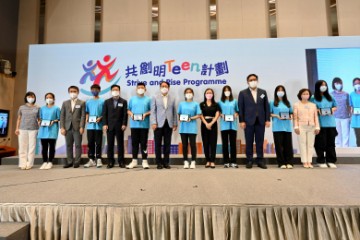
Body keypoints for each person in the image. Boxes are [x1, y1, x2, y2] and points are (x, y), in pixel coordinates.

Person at [238, 74, 270, 169]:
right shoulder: (243, 93)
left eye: (254, 79)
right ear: (247, 82)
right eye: (251, 80)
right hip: (248, 121)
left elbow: (266, 107)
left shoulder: (262, 92)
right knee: (249, 141)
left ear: (257, 80)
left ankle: (260, 160)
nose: (253, 81)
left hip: (260, 120)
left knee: (260, 141)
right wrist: (241, 120)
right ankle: (249, 160)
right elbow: (241, 108)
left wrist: (267, 119)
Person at [150, 81, 177, 169]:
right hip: (158, 124)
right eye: (162, 86)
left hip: (168, 124)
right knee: (157, 144)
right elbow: (153, 111)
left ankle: (166, 162)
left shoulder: (172, 98)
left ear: (168, 88)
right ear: (160, 87)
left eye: (166, 86)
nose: (164, 87)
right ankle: (158, 163)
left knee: (167, 144)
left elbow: (174, 112)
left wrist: (175, 123)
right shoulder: (154, 97)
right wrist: (153, 122)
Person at [311, 80, 338, 168]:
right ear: (317, 86)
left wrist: (331, 110)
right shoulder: (313, 97)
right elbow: (311, 109)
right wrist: (319, 111)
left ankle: (331, 160)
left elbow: (335, 106)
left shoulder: (330, 96)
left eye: (325, 85)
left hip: (331, 123)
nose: (324, 86)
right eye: (322, 85)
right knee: (320, 143)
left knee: (331, 143)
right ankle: (321, 160)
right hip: (320, 124)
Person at [102, 84, 128, 168]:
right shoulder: (107, 101)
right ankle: (110, 161)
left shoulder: (123, 101)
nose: (115, 91)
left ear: (119, 91)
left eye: (116, 89)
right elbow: (104, 114)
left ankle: (121, 161)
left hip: (120, 126)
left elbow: (125, 114)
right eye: (113, 90)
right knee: (110, 144)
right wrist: (105, 124)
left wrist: (124, 124)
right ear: (111, 91)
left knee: (120, 144)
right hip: (109, 126)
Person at [127, 82, 151, 169]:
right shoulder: (132, 99)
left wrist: (145, 114)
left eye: (142, 87)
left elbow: (151, 110)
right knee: (134, 144)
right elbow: (128, 110)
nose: (140, 89)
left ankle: (145, 161)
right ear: (136, 89)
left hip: (144, 125)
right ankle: (134, 161)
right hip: (134, 125)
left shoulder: (148, 99)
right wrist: (131, 114)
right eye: (139, 87)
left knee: (144, 143)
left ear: (145, 89)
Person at [293, 88, 320, 168]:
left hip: (312, 127)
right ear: (300, 95)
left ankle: (309, 161)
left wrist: (317, 127)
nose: (306, 95)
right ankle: (304, 161)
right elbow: (295, 117)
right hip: (301, 127)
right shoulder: (296, 105)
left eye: (307, 94)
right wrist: (296, 127)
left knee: (310, 144)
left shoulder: (313, 105)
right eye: (304, 94)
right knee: (302, 144)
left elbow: (316, 117)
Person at [60, 86, 86, 168]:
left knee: (78, 145)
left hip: (77, 127)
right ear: (69, 92)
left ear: (77, 92)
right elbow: (62, 116)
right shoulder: (65, 103)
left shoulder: (82, 103)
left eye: (74, 91)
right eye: (71, 91)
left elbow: (83, 116)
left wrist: (82, 126)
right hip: (67, 127)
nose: (73, 93)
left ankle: (77, 162)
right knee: (68, 145)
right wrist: (62, 127)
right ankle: (69, 161)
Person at [269, 85, 294, 169]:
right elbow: (269, 113)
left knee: (288, 145)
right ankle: (281, 163)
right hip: (277, 127)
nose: (280, 92)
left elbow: (291, 112)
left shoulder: (287, 102)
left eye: (282, 90)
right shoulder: (272, 102)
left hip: (287, 127)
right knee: (279, 146)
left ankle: (289, 162)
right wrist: (276, 116)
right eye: (279, 90)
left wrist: (291, 116)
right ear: (276, 92)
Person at [15, 91, 40, 170]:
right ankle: (22, 163)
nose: (31, 98)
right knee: (22, 147)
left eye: (32, 97)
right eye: (29, 97)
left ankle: (30, 163)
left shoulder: (37, 107)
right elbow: (19, 118)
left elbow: (39, 119)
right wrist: (16, 128)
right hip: (22, 129)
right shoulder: (21, 107)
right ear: (26, 98)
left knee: (32, 147)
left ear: (34, 98)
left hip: (33, 129)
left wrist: (39, 124)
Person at [178, 88, 201, 169]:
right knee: (184, 145)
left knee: (192, 145)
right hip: (183, 128)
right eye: (187, 92)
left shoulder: (196, 104)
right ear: (184, 94)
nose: (188, 94)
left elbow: (199, 115)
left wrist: (190, 118)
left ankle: (193, 161)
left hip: (192, 127)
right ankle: (185, 161)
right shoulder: (181, 104)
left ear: (193, 94)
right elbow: (178, 114)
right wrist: (180, 118)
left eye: (190, 92)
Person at [38, 93, 60, 170]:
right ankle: (44, 161)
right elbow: (40, 118)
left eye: (50, 97)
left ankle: (50, 161)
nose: (49, 99)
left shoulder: (56, 108)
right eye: (47, 97)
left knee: (51, 147)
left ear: (54, 99)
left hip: (52, 129)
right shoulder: (42, 108)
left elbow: (59, 118)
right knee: (44, 147)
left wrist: (53, 121)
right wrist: (39, 121)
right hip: (43, 129)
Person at [84, 84, 104, 168]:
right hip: (90, 126)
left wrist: (100, 118)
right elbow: (87, 112)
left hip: (99, 126)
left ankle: (99, 159)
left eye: (96, 89)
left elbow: (104, 113)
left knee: (98, 143)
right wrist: (87, 118)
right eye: (93, 89)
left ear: (99, 90)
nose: (94, 91)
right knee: (90, 143)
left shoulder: (103, 101)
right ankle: (91, 159)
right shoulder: (88, 101)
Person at [218, 85, 239, 168]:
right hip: (224, 125)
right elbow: (218, 112)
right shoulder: (220, 102)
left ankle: (233, 161)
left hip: (233, 125)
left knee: (233, 144)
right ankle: (226, 161)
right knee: (225, 144)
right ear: (223, 92)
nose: (227, 92)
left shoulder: (234, 101)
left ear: (230, 91)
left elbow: (238, 111)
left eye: (228, 90)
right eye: (225, 90)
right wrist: (221, 115)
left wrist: (235, 115)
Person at [200, 88, 220, 168]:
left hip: (213, 124)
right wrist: (206, 123)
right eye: (207, 93)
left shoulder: (216, 104)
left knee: (213, 143)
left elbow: (217, 114)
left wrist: (211, 123)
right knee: (205, 143)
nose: (209, 94)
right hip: (204, 124)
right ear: (205, 94)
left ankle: (212, 161)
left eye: (210, 93)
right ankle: (207, 160)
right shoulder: (202, 104)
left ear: (213, 94)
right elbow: (200, 115)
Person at [331, 77, 350, 147]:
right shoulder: (331, 94)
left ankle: (346, 148)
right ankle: (338, 149)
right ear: (333, 84)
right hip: (335, 117)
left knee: (346, 134)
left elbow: (348, 105)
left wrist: (350, 115)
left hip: (345, 117)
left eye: (340, 83)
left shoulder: (346, 94)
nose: (338, 85)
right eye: (336, 83)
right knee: (337, 134)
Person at [349, 77, 360, 147]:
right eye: (355, 83)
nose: (357, 85)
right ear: (353, 85)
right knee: (358, 138)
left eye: (359, 83)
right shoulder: (351, 94)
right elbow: (351, 107)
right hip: (356, 120)